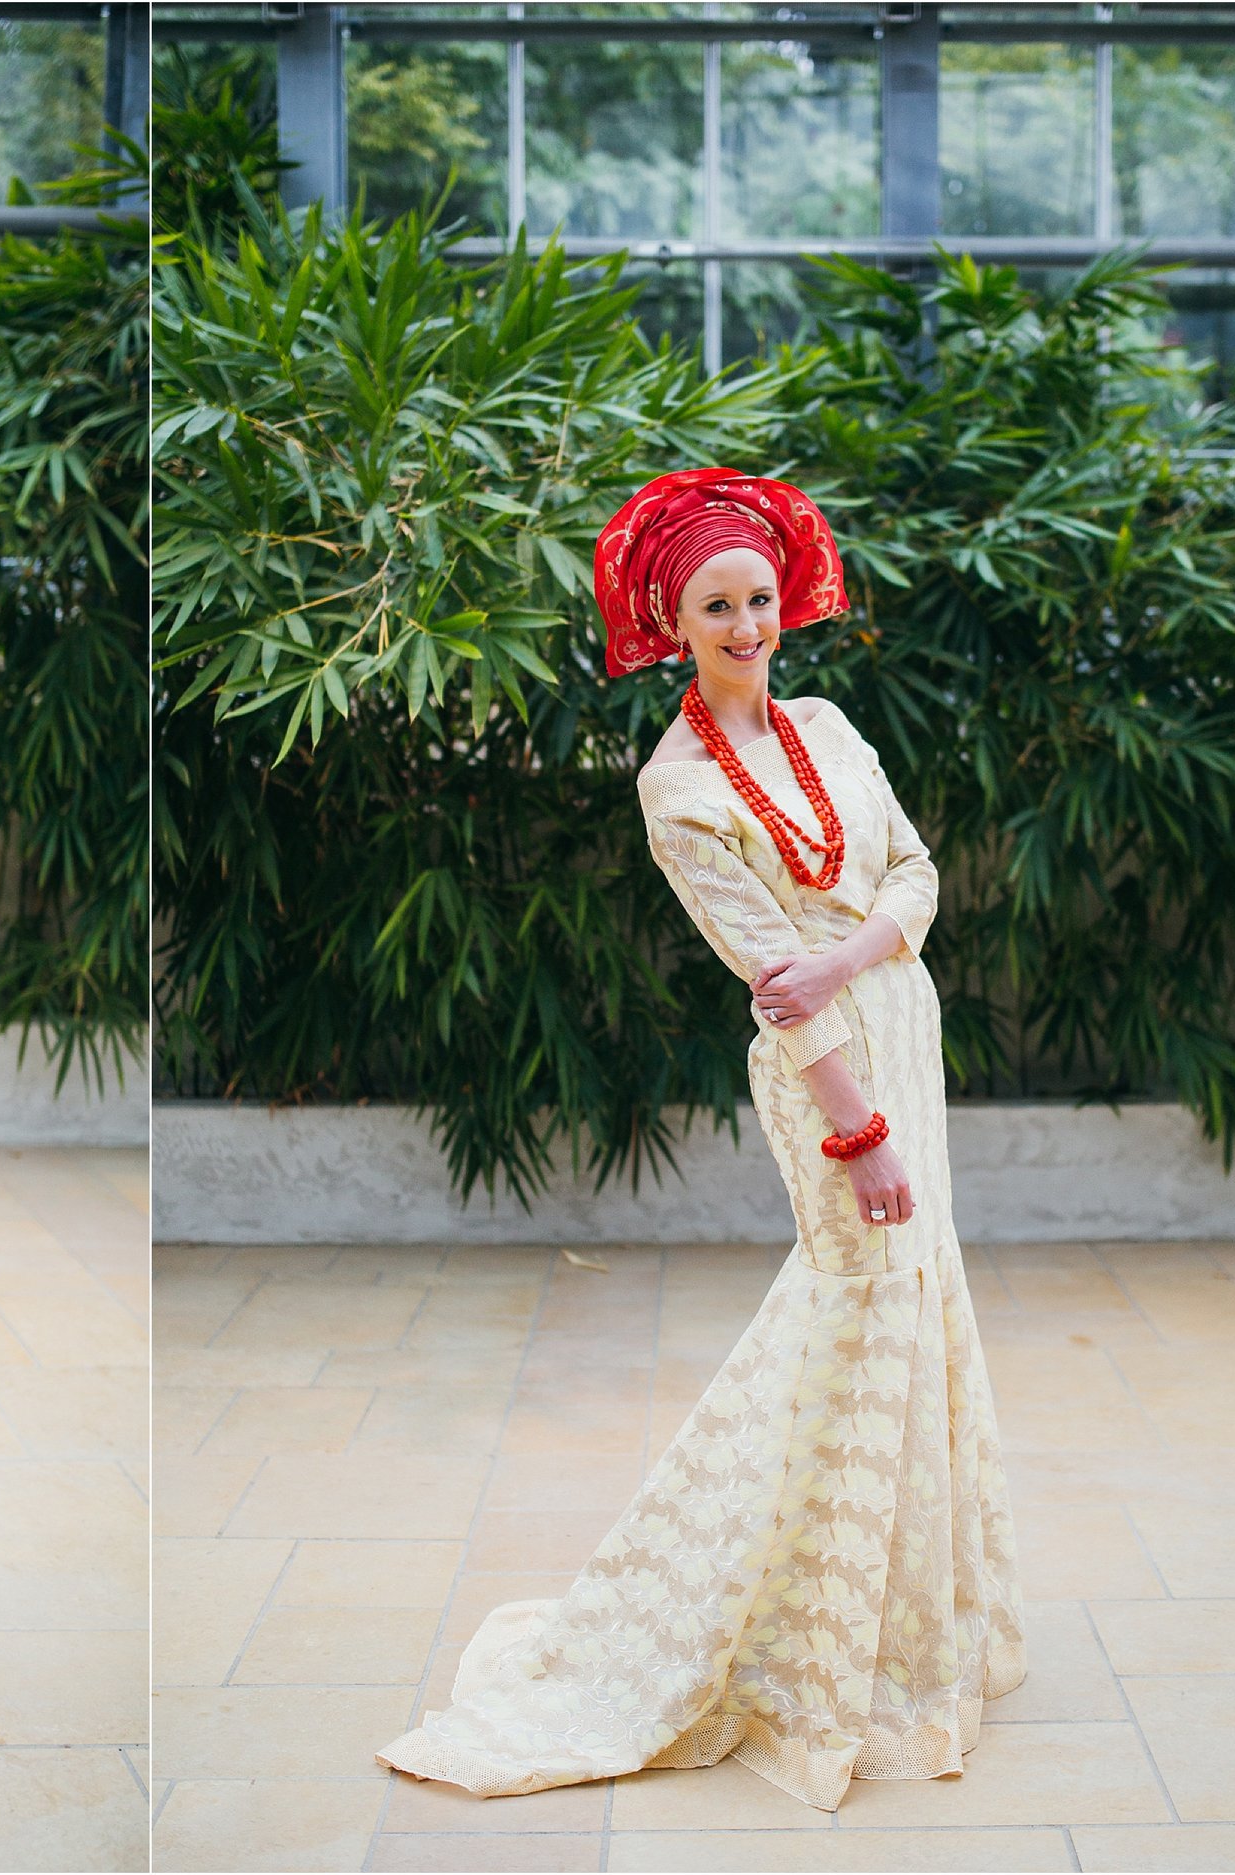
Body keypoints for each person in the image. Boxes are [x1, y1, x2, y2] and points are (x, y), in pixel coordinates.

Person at [378, 467, 1024, 1812]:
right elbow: (773, 986)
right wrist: (865, 1141)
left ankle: (903, 1620)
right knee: (850, 1315)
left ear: (788, 604)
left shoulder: (834, 726)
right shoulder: (678, 789)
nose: (744, 625)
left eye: (759, 600)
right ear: (675, 625)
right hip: (835, 1083)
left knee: (914, 1311)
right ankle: (770, 1631)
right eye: (715, 606)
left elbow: (918, 875)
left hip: (899, 1021)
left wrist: (846, 951)